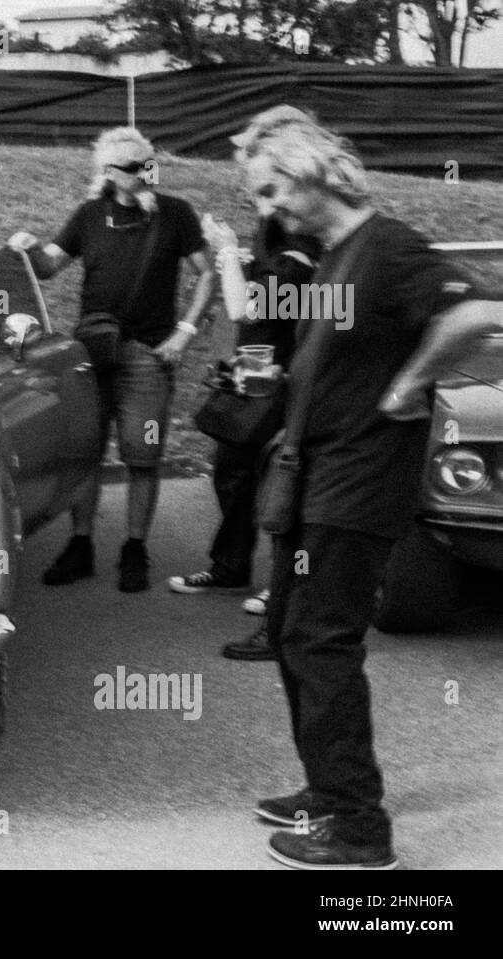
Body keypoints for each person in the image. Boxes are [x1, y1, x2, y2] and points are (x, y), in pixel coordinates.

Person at [241, 122, 499, 869]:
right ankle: (328, 791)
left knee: (321, 638)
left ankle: (358, 828)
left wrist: (412, 384)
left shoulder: (386, 245)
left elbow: (480, 313)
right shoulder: (331, 261)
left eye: (272, 189)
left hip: (357, 482)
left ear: (313, 173)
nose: (269, 208)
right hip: (311, 476)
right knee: (292, 629)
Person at [8, 127, 215, 592]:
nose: (146, 173)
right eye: (133, 167)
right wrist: (25, 248)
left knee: (143, 455)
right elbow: (48, 266)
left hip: (149, 354)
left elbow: (207, 275)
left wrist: (184, 332)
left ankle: (135, 548)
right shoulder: (88, 215)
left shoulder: (175, 214)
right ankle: (80, 546)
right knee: (86, 453)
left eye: (148, 163)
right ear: (107, 172)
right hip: (93, 354)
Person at [166, 107, 322, 658]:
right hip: (261, 373)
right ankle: (233, 567)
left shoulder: (299, 259)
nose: (262, 203)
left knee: (280, 489)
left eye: (266, 194)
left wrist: (225, 249)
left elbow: (244, 305)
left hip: (290, 383)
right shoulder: (281, 251)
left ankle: (285, 595)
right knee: (235, 472)